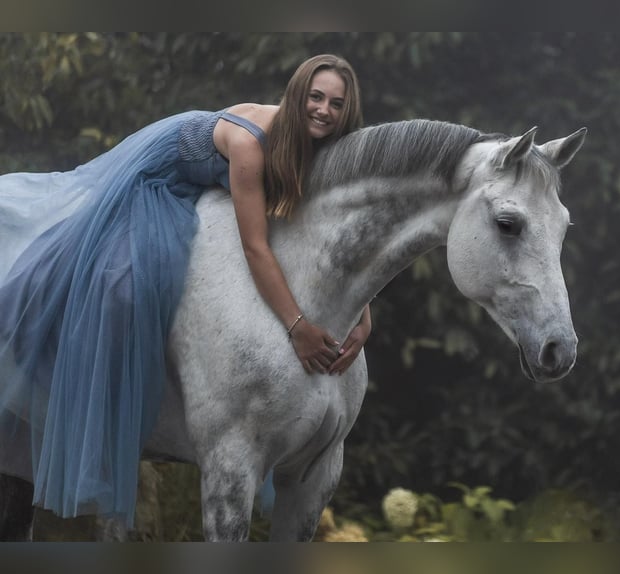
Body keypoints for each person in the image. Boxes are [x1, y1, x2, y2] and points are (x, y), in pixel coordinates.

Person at [0, 54, 371, 525]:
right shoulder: (252, 144)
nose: (323, 110)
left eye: (336, 103)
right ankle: (95, 396)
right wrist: (296, 326)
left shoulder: (330, 150)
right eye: (315, 97)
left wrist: (363, 318)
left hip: (208, 180)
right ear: (298, 96)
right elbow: (256, 248)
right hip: (162, 174)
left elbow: (340, 246)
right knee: (122, 282)